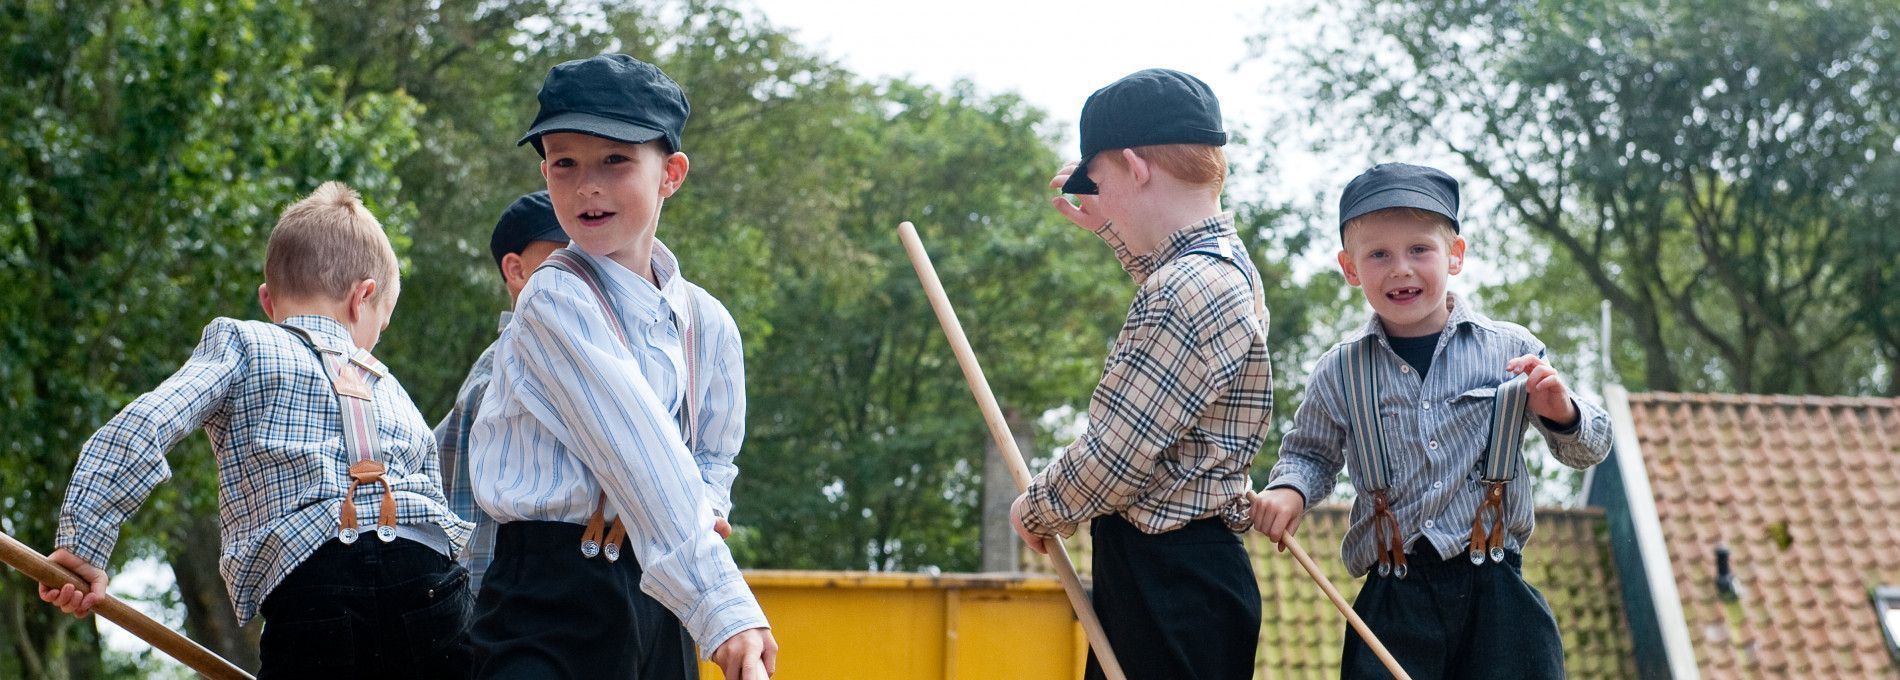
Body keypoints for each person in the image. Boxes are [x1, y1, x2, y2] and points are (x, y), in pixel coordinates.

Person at [41, 182, 473, 678]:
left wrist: (82, 544)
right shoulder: (393, 390)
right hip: (431, 585)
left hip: (317, 585)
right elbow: (437, 504)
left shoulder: (243, 343)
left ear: (268, 300)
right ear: (364, 298)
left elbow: (144, 424)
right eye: (383, 324)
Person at [466, 53, 774, 680]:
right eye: (564, 163)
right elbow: (643, 453)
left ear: (672, 174)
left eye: (615, 160)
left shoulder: (707, 322)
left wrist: (707, 506)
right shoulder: (554, 297)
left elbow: (712, 453)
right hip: (550, 595)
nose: (588, 186)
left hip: (657, 597)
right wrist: (726, 608)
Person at [1252, 162, 1613, 678]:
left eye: (1419, 249)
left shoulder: (1510, 350)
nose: (1401, 268)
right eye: (1378, 254)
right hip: (1394, 595)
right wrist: (1290, 490)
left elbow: (1589, 449)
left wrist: (1561, 411)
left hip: (1496, 594)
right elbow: (1310, 454)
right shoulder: (1341, 368)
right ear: (1350, 268)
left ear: (1455, 255)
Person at [1011, 68, 1273, 680]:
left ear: (1135, 166)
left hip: (1168, 585)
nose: (1097, 197)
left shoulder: (1184, 289)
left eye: (1097, 180)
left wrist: (1039, 509)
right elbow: (1179, 352)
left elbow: (1117, 456)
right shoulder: (1226, 270)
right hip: (1187, 580)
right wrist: (1112, 230)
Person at [432, 190, 568, 594]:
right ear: (517, 270)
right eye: (565, 257)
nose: (586, 270)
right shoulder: (499, 378)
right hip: (506, 613)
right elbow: (470, 534)